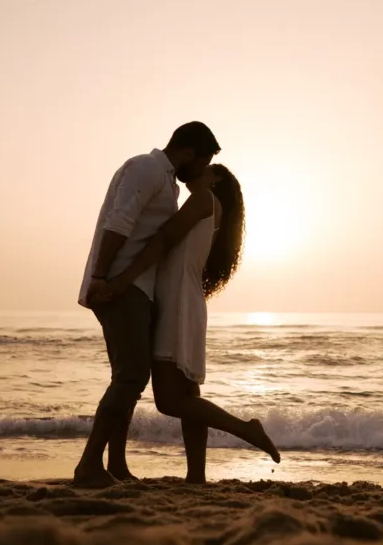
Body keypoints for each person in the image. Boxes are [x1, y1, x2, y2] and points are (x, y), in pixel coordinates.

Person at [102, 164, 280, 483]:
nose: (196, 171)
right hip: (187, 300)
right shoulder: (214, 209)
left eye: (206, 168)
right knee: (188, 396)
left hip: (177, 302)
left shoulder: (204, 199)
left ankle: (244, 428)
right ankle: (196, 475)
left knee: (169, 400)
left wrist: (122, 277)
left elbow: (165, 238)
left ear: (216, 179)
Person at [74, 122, 221, 487]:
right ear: (188, 152)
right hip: (122, 287)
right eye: (203, 161)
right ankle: (89, 465)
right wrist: (101, 277)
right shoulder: (147, 168)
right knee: (131, 377)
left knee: (127, 378)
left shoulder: (168, 182)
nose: (202, 171)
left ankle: (116, 466)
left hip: (134, 288)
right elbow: (118, 221)